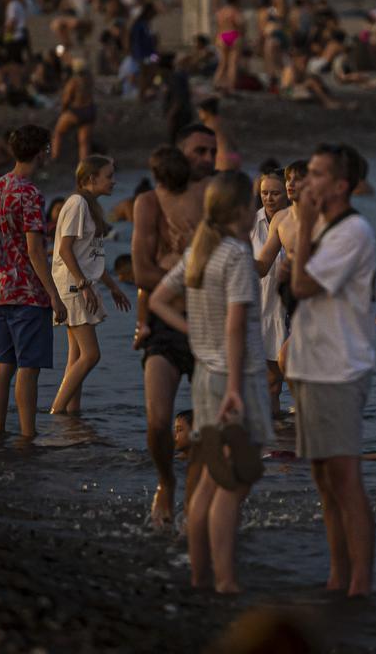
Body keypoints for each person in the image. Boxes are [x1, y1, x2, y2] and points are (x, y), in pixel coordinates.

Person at [149, 171, 275, 594]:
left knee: (205, 483)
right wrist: (238, 386)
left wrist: (190, 332)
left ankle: (201, 576)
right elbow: (238, 325)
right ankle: (226, 581)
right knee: (233, 485)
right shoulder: (237, 254)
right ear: (240, 210)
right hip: (238, 379)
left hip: (206, 377)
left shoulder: (199, 253)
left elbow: (156, 300)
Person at [285, 143, 376, 597]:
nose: (305, 181)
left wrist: (301, 223)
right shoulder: (321, 224)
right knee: (323, 478)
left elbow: (301, 284)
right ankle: (337, 575)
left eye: (317, 174)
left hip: (339, 369)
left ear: (340, 185)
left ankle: (359, 583)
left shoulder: (353, 230)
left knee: (344, 476)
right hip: (310, 366)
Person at [132, 124, 216, 526]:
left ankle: (200, 504)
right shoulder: (149, 202)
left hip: (209, 325)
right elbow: (140, 271)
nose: (207, 159)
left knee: (210, 430)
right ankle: (167, 482)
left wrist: (169, 268)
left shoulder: (216, 199)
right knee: (157, 422)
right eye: (199, 151)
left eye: (212, 152)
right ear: (180, 155)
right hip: (165, 326)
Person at [0, 125, 67, 438]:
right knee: (28, 369)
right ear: (40, 152)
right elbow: (35, 250)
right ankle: (27, 436)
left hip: (1, 288)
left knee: (3, 364)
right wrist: (54, 295)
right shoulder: (30, 193)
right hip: (27, 292)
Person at [50, 156, 132, 415]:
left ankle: (72, 417)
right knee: (91, 355)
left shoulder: (90, 205)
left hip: (80, 283)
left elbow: (91, 256)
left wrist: (113, 286)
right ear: (90, 179)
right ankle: (56, 411)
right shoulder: (77, 203)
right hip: (74, 286)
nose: (114, 181)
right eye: (108, 176)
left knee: (76, 357)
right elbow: (64, 249)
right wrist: (84, 285)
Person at [250, 169, 289, 417]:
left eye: (275, 193)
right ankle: (272, 433)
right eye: (264, 193)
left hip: (291, 310)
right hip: (263, 308)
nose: (269, 198)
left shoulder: (297, 222)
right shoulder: (250, 224)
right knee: (270, 384)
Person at [51, 59, 97, 162]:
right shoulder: (89, 79)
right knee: (84, 142)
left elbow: (66, 98)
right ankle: (83, 166)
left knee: (58, 132)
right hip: (90, 111)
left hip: (77, 111)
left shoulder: (74, 81)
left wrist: (63, 110)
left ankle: (55, 157)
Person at [197, 97, 241, 172]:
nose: (199, 114)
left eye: (200, 112)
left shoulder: (209, 125)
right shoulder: (224, 122)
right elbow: (235, 142)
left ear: (206, 112)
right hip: (235, 157)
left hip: (223, 159)